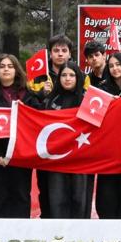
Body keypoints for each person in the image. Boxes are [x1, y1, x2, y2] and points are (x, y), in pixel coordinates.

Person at [0, 53, 33, 219]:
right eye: (2, 67)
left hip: (22, 156)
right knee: (1, 197)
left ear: (16, 70)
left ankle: (22, 234)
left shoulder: (28, 94)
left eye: (10, 66)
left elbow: (38, 119)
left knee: (22, 195)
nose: (6, 70)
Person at [35, 62, 91, 219]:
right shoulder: (50, 100)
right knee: (57, 200)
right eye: (64, 75)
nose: (67, 79)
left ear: (78, 77)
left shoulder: (88, 100)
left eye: (72, 75)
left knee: (79, 200)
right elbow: (39, 122)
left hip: (81, 159)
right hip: (57, 160)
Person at [94, 52, 121, 219]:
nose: (115, 68)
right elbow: (92, 120)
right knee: (106, 200)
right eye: (111, 65)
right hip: (108, 154)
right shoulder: (101, 89)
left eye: (118, 64)